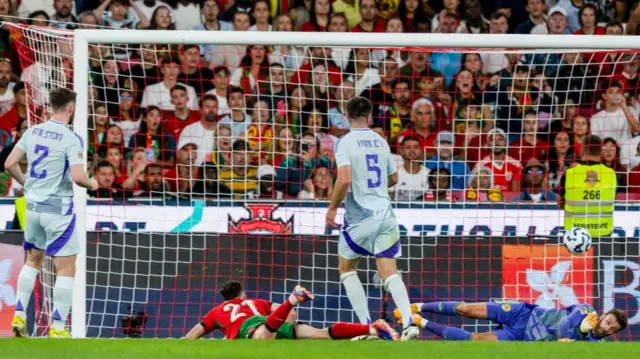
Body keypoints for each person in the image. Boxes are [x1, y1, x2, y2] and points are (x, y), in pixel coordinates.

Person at [324, 97, 419, 341]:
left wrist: (332, 208)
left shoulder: (345, 142)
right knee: (389, 271)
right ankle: (409, 324)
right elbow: (394, 179)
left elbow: (344, 180)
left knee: (346, 268)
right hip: (386, 214)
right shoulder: (381, 142)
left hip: (360, 216)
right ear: (370, 116)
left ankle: (369, 328)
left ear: (347, 116)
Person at [7, 88, 98, 338]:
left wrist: (25, 182)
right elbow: (78, 177)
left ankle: (18, 315)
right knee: (66, 268)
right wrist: (92, 183)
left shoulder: (32, 131)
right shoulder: (71, 138)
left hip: (33, 209)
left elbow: (8, 163)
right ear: (71, 108)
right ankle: (58, 328)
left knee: (32, 261)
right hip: (58, 209)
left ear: (51, 106)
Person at [183, 281, 399, 340]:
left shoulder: (214, 312)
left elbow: (190, 337)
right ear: (243, 296)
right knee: (320, 333)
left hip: (255, 328)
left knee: (261, 336)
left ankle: (292, 299)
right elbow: (291, 316)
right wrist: (284, 329)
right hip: (272, 323)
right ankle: (372, 329)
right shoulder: (256, 302)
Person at [396, 301, 627, 342]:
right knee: (467, 309)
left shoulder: (594, 346)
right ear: (604, 315)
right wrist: (583, 331)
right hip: (523, 313)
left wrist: (584, 337)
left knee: (476, 341)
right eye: (608, 322)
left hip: (522, 338)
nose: (607, 328)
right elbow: (563, 328)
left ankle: (420, 322)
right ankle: (416, 306)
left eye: (612, 329)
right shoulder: (587, 310)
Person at [560, 135, 617, 238]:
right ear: (601, 152)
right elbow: (612, 198)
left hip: (575, 234)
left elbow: (560, 203)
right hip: (602, 232)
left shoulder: (569, 174)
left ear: (582, 150)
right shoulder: (611, 174)